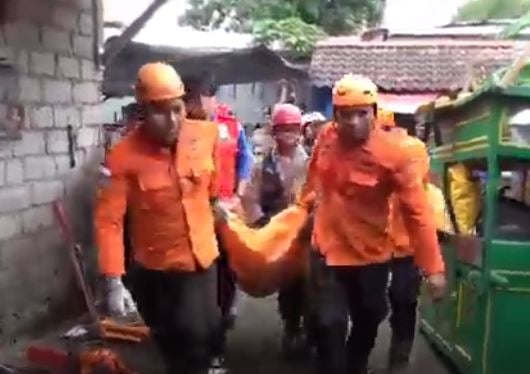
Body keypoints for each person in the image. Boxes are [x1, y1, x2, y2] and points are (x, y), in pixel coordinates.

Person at [299, 74, 447, 374]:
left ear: (374, 113)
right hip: (327, 251)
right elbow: (313, 177)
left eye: (361, 114)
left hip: (370, 256)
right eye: (345, 115)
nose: (352, 122)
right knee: (329, 325)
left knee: (368, 320)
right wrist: (300, 210)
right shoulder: (326, 138)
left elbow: (417, 212)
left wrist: (434, 269)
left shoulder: (396, 154)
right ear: (335, 115)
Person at [95, 62, 223, 374]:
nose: (172, 120)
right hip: (157, 268)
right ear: (142, 111)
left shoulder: (205, 135)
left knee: (208, 331)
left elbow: (213, 186)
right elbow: (108, 221)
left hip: (203, 257)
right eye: (160, 111)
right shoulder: (121, 157)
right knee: (182, 340)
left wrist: (222, 208)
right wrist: (113, 280)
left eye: (177, 109)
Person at [241, 103, 309, 357]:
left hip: (307, 232)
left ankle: (308, 332)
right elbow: (251, 197)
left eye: (293, 130)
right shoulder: (263, 166)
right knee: (289, 285)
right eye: (283, 130)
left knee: (310, 284)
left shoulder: (312, 161)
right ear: (275, 132)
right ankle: (291, 328)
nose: (288, 135)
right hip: (277, 231)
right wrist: (260, 223)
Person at [196, 75, 254, 371]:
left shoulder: (231, 124)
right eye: (192, 97)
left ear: (212, 98)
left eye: (203, 96)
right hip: (193, 217)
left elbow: (246, 158)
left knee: (226, 276)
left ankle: (217, 344)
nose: (198, 103)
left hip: (227, 213)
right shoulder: (180, 129)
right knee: (198, 283)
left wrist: (238, 194)